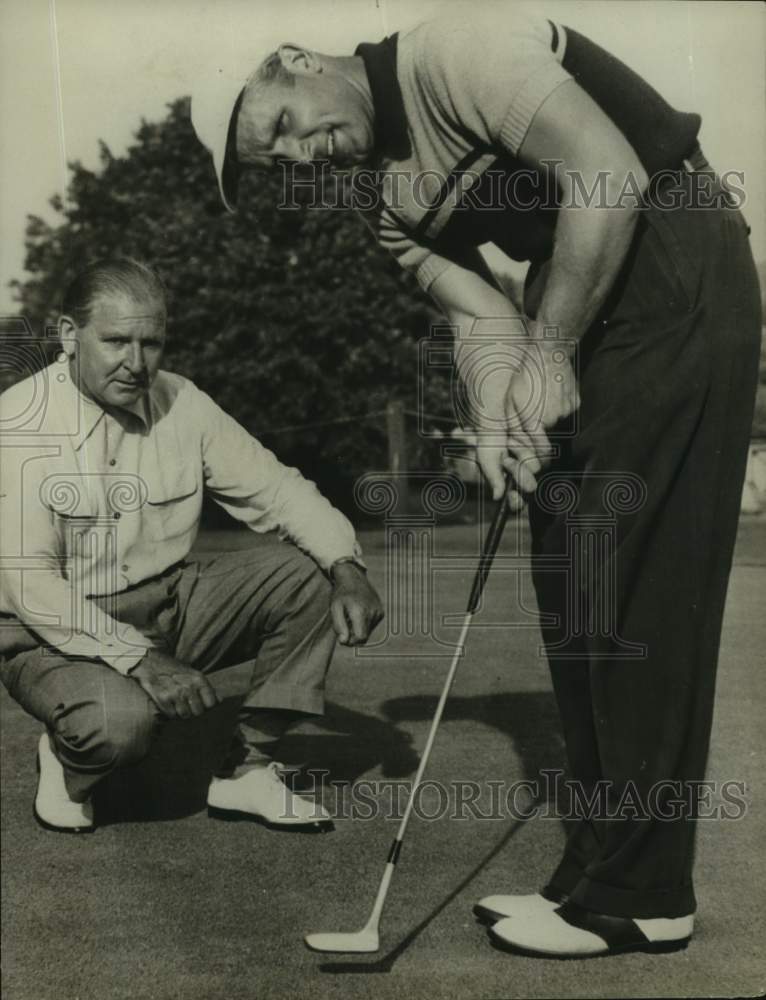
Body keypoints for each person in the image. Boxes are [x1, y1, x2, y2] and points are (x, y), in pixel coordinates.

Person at [190, 4, 762, 958]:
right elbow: (476, 317)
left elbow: (607, 175)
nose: (302, 157)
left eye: (282, 126)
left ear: (295, 63)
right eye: (279, 166)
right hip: (585, 298)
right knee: (573, 585)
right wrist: (498, 412)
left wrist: (553, 353)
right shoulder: (382, 201)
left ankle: (645, 893)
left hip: (677, 261)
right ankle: (597, 869)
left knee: (634, 584)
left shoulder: (456, 52)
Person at [0, 257, 383, 835]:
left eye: (151, 342)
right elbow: (33, 588)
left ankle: (246, 770)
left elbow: (277, 489)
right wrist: (142, 660)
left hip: (171, 602)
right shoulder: (17, 425)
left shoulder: (183, 401)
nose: (136, 363)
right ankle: (67, 754)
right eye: (116, 341)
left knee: (311, 575)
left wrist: (345, 564)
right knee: (117, 726)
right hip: (49, 633)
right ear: (67, 336)